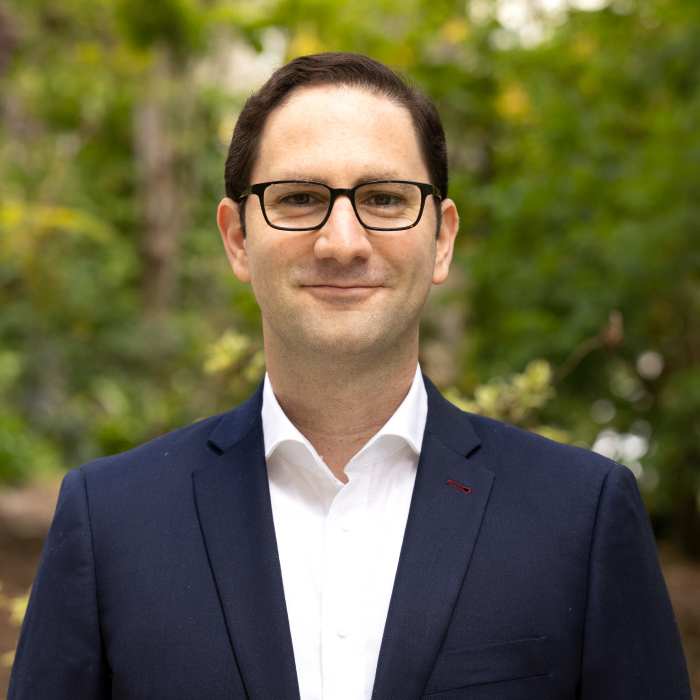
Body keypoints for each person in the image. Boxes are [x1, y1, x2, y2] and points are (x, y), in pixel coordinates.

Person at [9, 53, 691, 700]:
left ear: (442, 237)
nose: (342, 242)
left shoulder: (583, 516)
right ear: (238, 239)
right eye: (301, 197)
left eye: (386, 199)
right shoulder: (109, 522)